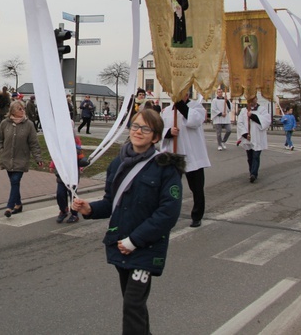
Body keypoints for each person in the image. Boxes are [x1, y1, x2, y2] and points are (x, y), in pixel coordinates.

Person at [71, 109, 183, 335]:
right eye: (135, 126)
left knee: (132, 303)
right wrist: (90, 208)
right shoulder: (117, 163)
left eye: (145, 128)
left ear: (155, 137)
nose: (138, 132)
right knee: (135, 305)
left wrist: (135, 240)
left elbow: (168, 213)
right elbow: (112, 202)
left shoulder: (165, 167)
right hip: (121, 244)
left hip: (146, 247)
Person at [162, 92, 210, 227]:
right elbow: (160, 129)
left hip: (192, 155)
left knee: (197, 188)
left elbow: (194, 121)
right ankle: (168, 214)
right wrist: (168, 132)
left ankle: (197, 215)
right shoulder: (166, 111)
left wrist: (180, 104)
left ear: (187, 93)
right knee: (171, 187)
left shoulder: (196, 107)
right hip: (174, 155)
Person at [0, 100, 43, 218]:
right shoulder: (4, 123)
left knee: (15, 181)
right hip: (7, 158)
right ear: (12, 111)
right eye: (20, 109)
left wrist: (38, 158)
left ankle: (9, 207)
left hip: (21, 159)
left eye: (23, 109)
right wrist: (1, 151)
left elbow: (34, 143)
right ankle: (18, 204)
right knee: (14, 183)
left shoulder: (29, 125)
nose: (23, 111)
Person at [51, 122, 89, 223]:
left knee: (72, 193)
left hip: (72, 171)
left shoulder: (75, 140)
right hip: (62, 172)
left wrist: (81, 160)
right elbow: (56, 154)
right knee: (60, 193)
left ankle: (74, 214)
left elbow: (79, 153)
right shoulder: (58, 140)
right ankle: (63, 210)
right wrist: (53, 164)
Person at [236, 95, 271, 183]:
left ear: (256, 99)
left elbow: (266, 121)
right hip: (248, 138)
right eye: (250, 100)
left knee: (256, 156)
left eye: (253, 99)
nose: (252, 101)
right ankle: (251, 171)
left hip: (258, 137)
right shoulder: (244, 111)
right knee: (250, 157)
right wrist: (245, 134)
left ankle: (253, 174)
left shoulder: (262, 109)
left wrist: (252, 116)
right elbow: (240, 123)